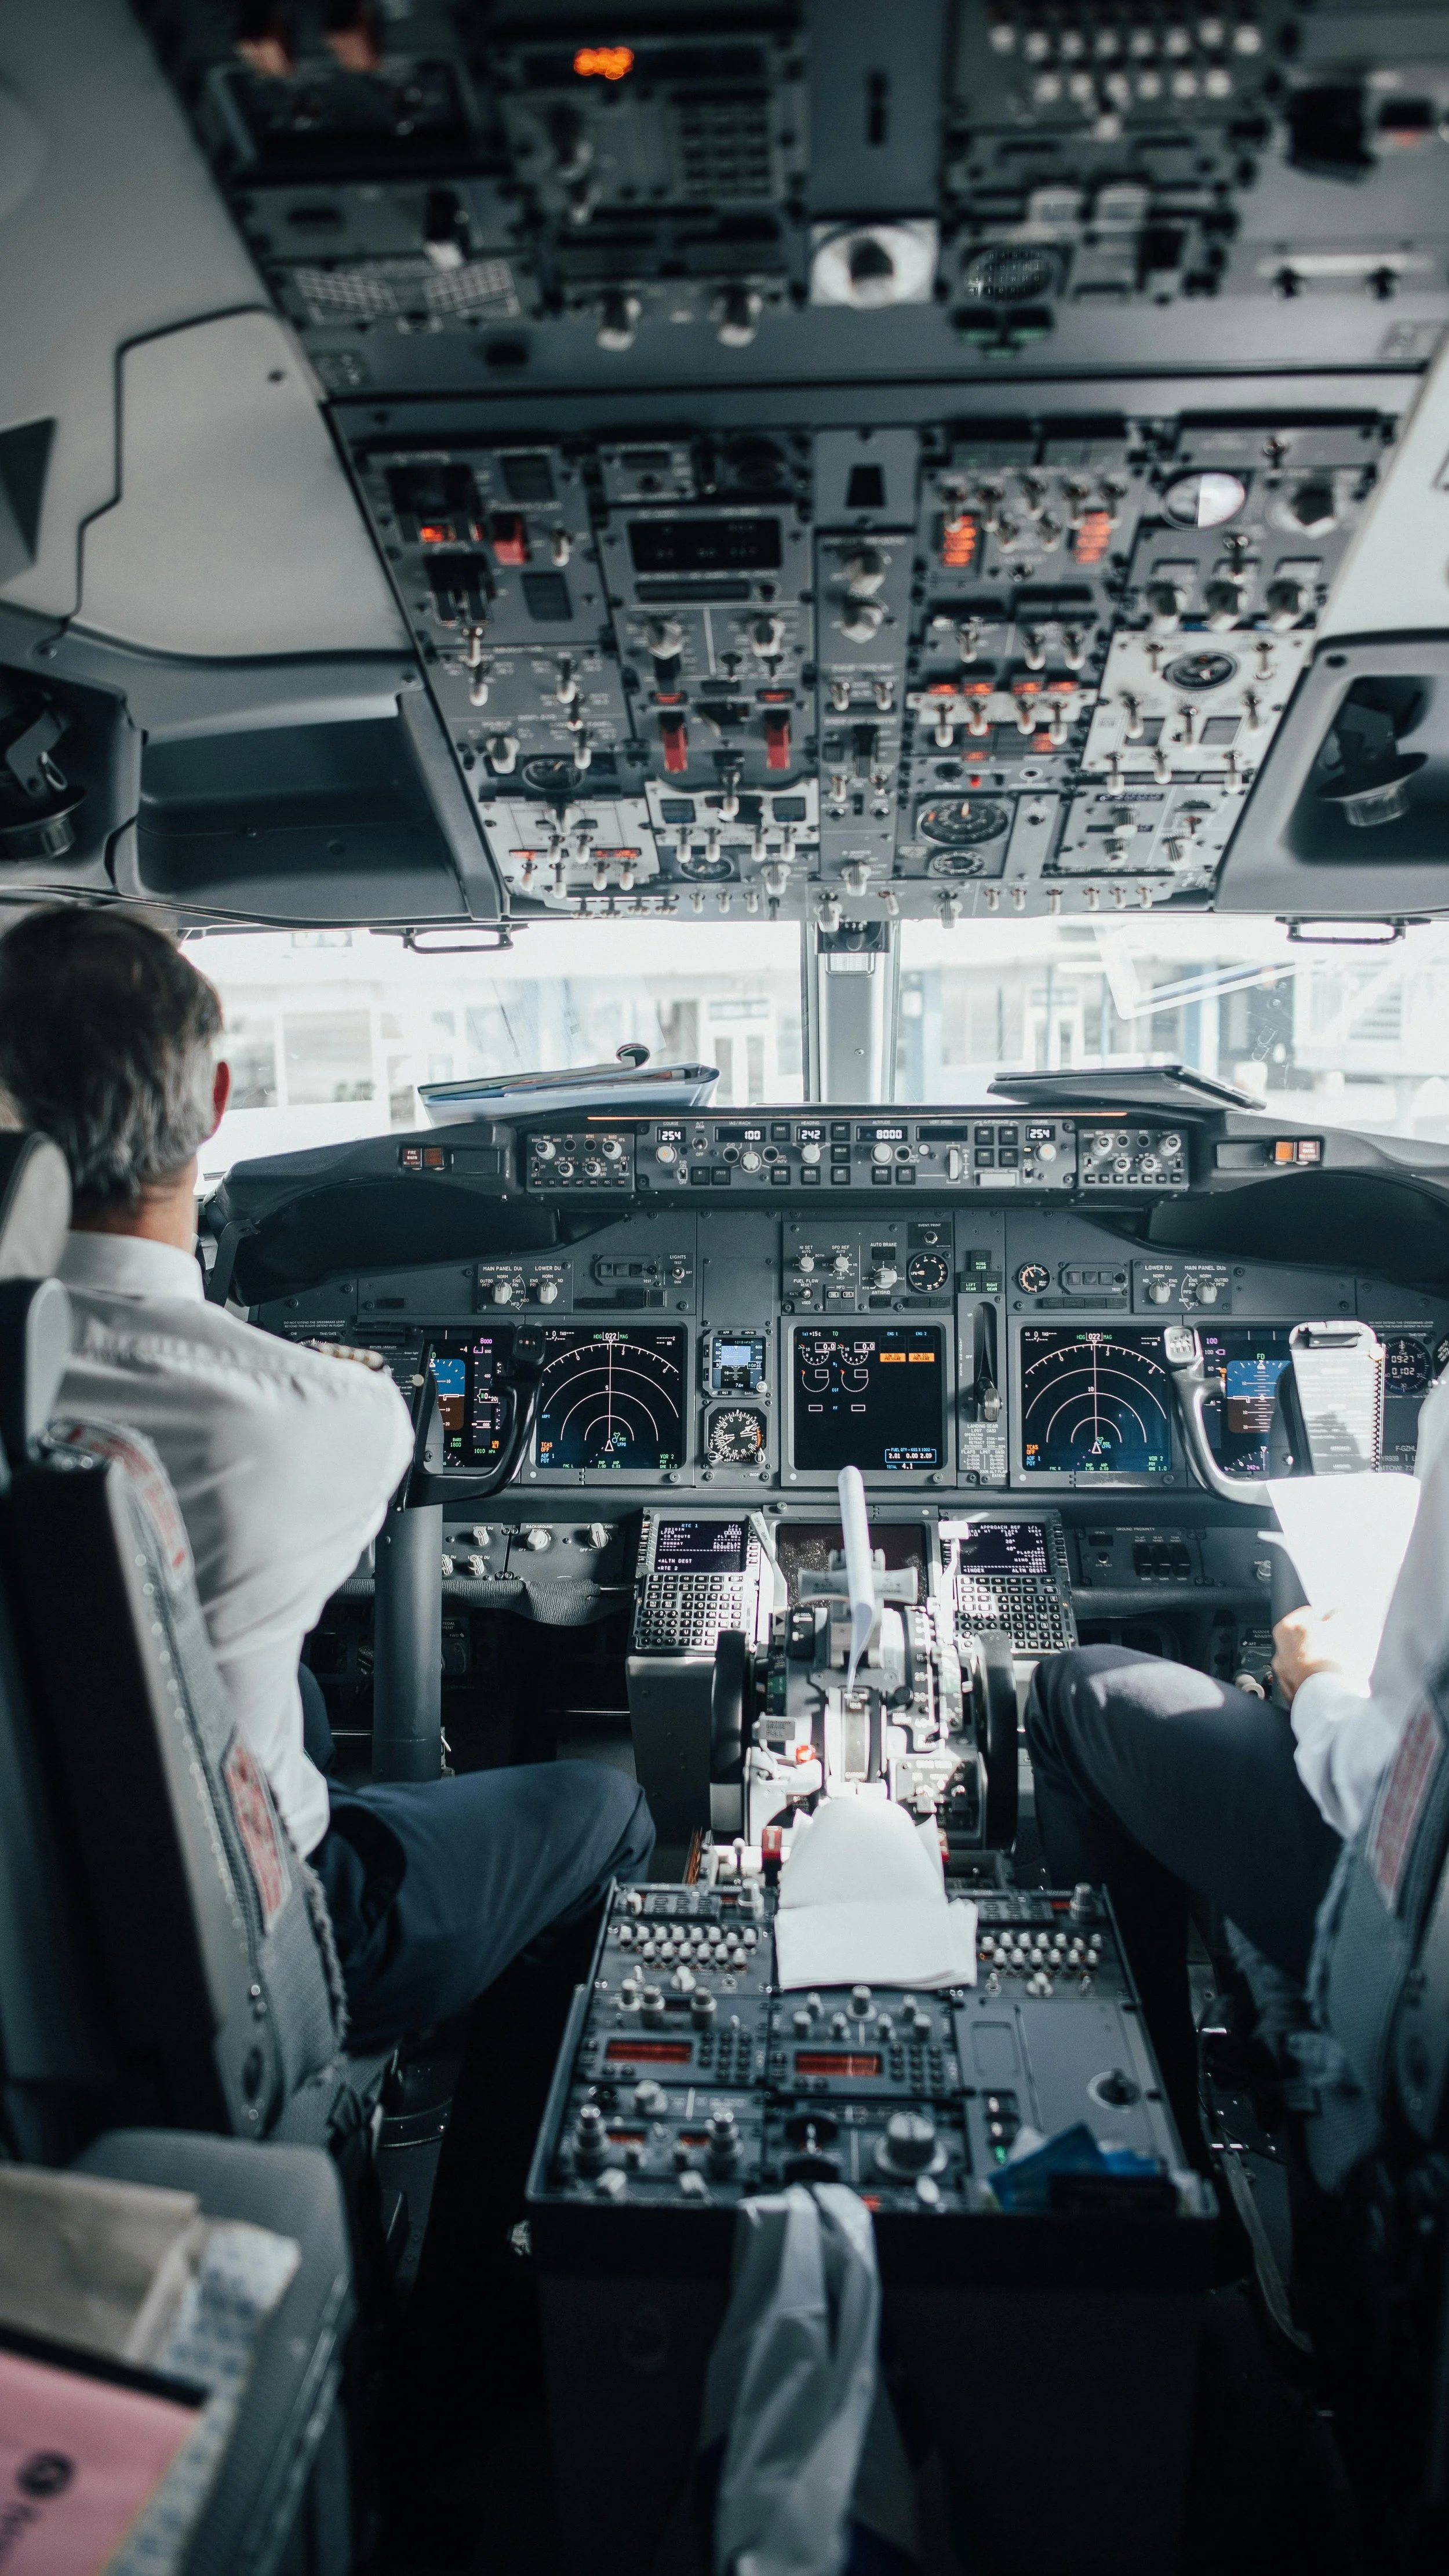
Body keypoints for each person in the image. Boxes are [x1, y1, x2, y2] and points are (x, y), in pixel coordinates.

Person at [0, 903, 654, 2051]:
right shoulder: (326, 1416)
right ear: (211, 1101)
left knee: (295, 1693)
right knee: (606, 1807)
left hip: (30, 1910)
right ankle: (470, 2213)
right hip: (261, 1938)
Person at [1025, 1371, 1449, 2146]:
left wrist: (1317, 1683)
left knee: (1075, 1691)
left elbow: (1386, 1789)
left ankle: (1155, 2144)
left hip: (1398, 1910)